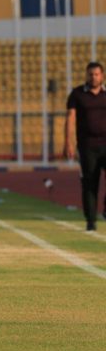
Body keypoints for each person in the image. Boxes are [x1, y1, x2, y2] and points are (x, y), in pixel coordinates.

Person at [64, 62, 106, 231]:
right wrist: (68, 141)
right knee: (90, 183)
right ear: (86, 75)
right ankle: (91, 220)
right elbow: (70, 118)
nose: (93, 77)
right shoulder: (77, 94)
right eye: (90, 74)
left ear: (102, 75)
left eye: (96, 74)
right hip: (87, 145)